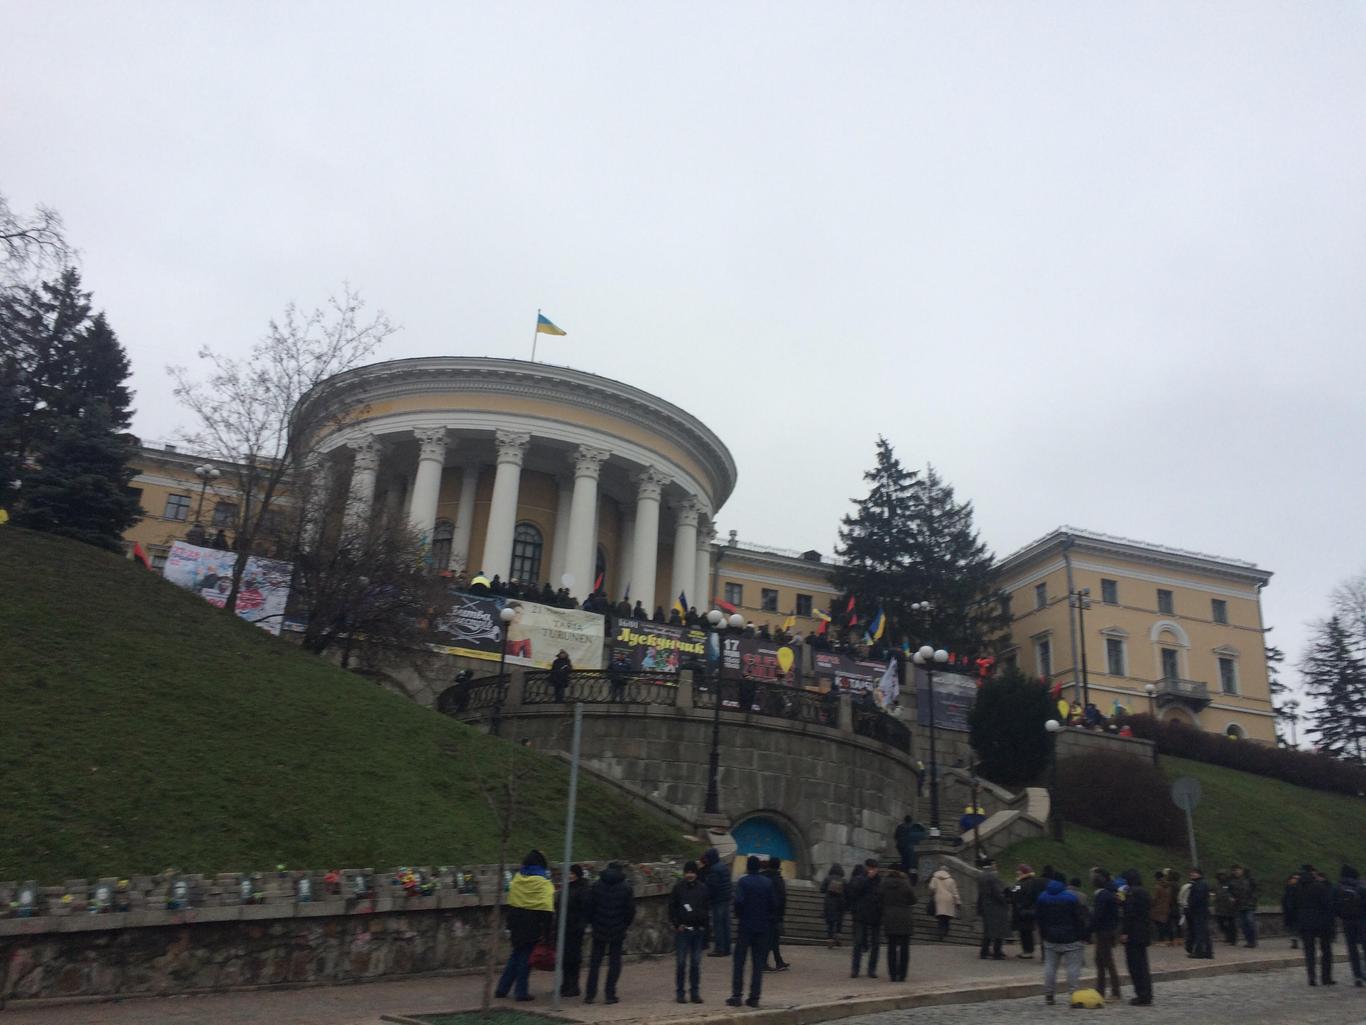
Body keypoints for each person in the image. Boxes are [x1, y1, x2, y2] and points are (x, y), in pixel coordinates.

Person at [495, 850, 555, 1001]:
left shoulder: (517, 880)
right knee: (525, 959)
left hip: (516, 923)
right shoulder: (544, 884)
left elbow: (512, 903)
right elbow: (547, 910)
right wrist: (547, 934)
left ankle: (502, 988)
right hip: (532, 925)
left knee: (515, 955)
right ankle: (521, 992)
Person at [727, 855, 776, 1008]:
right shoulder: (768, 883)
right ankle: (754, 997)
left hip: (746, 926)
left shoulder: (744, 881)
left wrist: (739, 914)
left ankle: (737, 996)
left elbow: (739, 901)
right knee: (757, 964)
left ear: (748, 867)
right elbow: (774, 903)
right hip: (762, 927)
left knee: (739, 962)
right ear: (760, 867)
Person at [583, 862, 635, 1004]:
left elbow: (589, 906)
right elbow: (630, 910)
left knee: (595, 963)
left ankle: (590, 994)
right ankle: (610, 994)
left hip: (599, 927)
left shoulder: (597, 885)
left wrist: (592, 923)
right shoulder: (626, 887)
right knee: (614, 962)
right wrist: (624, 924)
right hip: (617, 928)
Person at [1035, 876, 1088, 1006]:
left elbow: (1039, 918)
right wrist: (1083, 935)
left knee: (1050, 967)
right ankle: (1074, 995)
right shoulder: (1071, 898)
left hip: (1050, 937)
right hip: (1071, 937)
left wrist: (1044, 934)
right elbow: (1078, 919)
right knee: (1072, 967)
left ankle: (1049, 995)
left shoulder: (1042, 897)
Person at [669, 860, 710, 1004]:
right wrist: (676, 924)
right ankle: (680, 993)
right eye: (688, 872)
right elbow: (672, 908)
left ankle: (695, 992)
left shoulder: (703, 888)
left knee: (695, 964)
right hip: (683, 930)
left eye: (692, 872)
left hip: (698, 931)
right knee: (681, 963)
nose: (690, 875)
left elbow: (706, 908)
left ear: (696, 873)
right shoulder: (678, 888)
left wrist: (704, 926)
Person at [1295, 864, 1336, 986]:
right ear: (1313, 872)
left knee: (1309, 951)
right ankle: (1326, 977)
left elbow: (1293, 905)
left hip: (1304, 922)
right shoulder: (1319, 886)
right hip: (1321, 922)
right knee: (1326, 950)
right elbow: (1327, 905)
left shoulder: (1297, 887)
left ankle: (1311, 977)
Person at [1120, 868, 1154, 1005]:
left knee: (1134, 965)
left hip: (1133, 933)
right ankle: (1146, 993)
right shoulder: (1144, 892)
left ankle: (1141, 994)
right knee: (1143, 964)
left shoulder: (1131, 893)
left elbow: (1129, 914)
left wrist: (1124, 932)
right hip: (1144, 931)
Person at [558, 864, 591, 997]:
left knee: (573, 958)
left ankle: (573, 985)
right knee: (565, 958)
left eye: (572, 873)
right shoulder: (567, 888)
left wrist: (580, 926)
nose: (570, 876)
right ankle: (565, 984)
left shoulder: (582, 889)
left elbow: (585, 909)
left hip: (575, 928)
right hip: (564, 928)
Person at [1089, 868, 1122, 1000]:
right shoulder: (1110, 893)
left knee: (1107, 961)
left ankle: (1115, 991)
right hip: (1107, 930)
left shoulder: (1102, 895)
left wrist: (1088, 930)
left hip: (1104, 931)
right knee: (1100, 960)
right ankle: (1100, 989)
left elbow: (1098, 915)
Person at [848, 858, 884, 978]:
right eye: (871, 868)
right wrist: (867, 879)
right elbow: (854, 891)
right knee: (858, 942)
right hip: (861, 915)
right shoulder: (859, 879)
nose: (873, 871)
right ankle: (855, 969)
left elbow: (882, 896)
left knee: (875, 944)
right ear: (867, 868)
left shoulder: (880, 881)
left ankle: (871, 970)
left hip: (876, 916)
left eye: (875, 869)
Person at [881, 865, 916, 982]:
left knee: (891, 947)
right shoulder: (905, 883)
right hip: (905, 917)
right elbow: (913, 899)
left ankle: (892, 974)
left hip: (890, 917)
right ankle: (902, 974)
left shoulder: (884, 883)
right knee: (905, 948)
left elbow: (879, 897)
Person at [976, 859, 1010, 959]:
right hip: (995, 906)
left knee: (987, 931)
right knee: (999, 930)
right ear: (992, 865)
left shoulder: (981, 875)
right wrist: (1006, 900)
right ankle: (997, 952)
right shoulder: (993, 876)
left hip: (986, 905)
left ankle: (984, 951)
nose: (996, 866)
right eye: (995, 864)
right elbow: (997, 892)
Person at [1336, 865, 1364, 986]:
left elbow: (1334, 905)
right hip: (1362, 921)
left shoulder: (1338, 888)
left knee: (1352, 949)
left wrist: (1342, 916)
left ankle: (1357, 976)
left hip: (1347, 922)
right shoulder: (1361, 886)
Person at [1009, 864, 1044, 958]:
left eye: (1019, 870)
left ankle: (1027, 951)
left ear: (1023, 872)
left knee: (1025, 931)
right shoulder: (1032, 882)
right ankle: (1028, 950)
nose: (1017, 872)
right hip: (1030, 909)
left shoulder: (1021, 884)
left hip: (1022, 910)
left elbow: (1013, 893)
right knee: (1027, 931)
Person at [702, 848, 733, 957]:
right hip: (726, 899)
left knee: (718, 925)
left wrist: (707, 895)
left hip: (718, 900)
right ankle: (727, 948)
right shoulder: (724, 866)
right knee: (726, 925)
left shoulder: (714, 869)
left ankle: (719, 949)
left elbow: (712, 886)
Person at [762, 857, 790, 970]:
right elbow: (782, 898)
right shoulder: (778, 879)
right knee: (771, 939)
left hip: (764, 912)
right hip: (775, 914)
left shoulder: (764, 876)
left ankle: (779, 961)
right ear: (778, 866)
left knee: (774, 939)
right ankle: (764, 963)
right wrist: (781, 915)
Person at [928, 864, 961, 941]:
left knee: (940, 916)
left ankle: (940, 932)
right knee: (946, 916)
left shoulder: (935, 878)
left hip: (939, 898)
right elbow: (955, 892)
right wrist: (958, 901)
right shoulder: (951, 880)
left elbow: (932, 888)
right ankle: (946, 930)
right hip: (949, 899)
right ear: (947, 871)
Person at [1228, 864, 1258, 947]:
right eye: (1235, 870)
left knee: (1250, 921)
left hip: (1249, 904)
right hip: (1238, 905)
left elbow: (1255, 889)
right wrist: (1231, 897)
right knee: (1243, 924)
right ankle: (1249, 941)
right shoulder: (1231, 881)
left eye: (1238, 870)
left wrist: (1254, 899)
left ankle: (1253, 940)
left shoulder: (1248, 879)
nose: (1237, 872)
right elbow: (1229, 892)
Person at [1185, 866, 1212, 959]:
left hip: (1199, 912)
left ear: (1199, 874)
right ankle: (1208, 952)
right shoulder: (1198, 883)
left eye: (1194, 872)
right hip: (1201, 911)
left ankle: (1200, 952)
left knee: (1200, 932)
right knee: (1204, 932)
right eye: (1191, 872)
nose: (1192, 874)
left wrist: (1190, 905)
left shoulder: (1199, 884)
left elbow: (1197, 898)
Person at [821, 864, 847, 947]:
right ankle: (838, 936)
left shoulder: (828, 878)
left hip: (829, 902)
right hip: (841, 903)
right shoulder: (843, 880)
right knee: (839, 921)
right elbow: (848, 892)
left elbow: (822, 889)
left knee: (830, 922)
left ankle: (830, 940)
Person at [1151, 869, 1174, 945]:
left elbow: (1155, 898)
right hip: (1166, 907)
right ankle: (1169, 939)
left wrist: (1151, 904)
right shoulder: (1168, 887)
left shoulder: (1157, 887)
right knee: (1165, 924)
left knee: (1158, 924)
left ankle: (1161, 939)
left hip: (1158, 908)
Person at [1214, 871, 1237, 945]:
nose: (1222, 877)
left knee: (1231, 924)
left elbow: (1235, 893)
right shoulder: (1217, 885)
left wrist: (1233, 899)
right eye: (1220, 875)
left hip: (1229, 907)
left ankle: (1232, 939)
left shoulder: (1230, 884)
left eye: (1223, 875)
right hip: (1219, 906)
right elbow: (1214, 892)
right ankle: (1228, 936)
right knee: (1220, 923)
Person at [1282, 871, 1302, 949]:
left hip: (1298, 910)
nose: (1295, 880)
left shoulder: (1300, 888)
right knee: (1292, 928)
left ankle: (1296, 940)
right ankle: (1294, 941)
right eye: (1294, 878)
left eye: (1297, 878)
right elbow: (1285, 899)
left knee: (1297, 927)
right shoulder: (1288, 888)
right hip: (1289, 910)